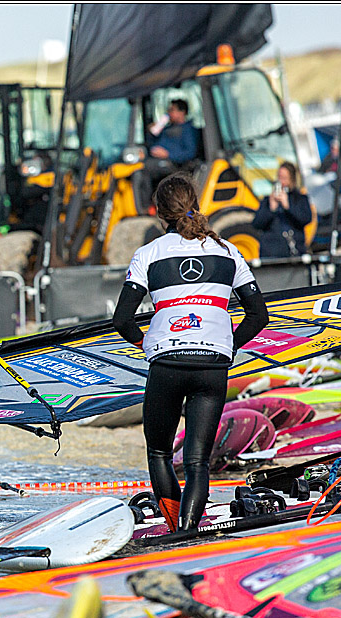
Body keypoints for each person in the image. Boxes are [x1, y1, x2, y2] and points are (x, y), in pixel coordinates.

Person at [111, 174, 269, 532]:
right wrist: (226, 343)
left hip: (167, 361)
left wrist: (144, 343)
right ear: (196, 204)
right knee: (198, 462)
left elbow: (122, 319)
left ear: (158, 213)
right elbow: (259, 315)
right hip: (213, 364)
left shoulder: (148, 254)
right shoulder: (228, 251)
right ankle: (190, 530)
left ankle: (174, 532)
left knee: (160, 453)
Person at [138, 99, 199, 208]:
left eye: (172, 110)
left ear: (182, 112)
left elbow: (190, 153)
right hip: (157, 159)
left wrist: (168, 154)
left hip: (174, 164)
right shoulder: (166, 128)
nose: (168, 113)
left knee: (143, 169)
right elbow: (153, 144)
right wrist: (151, 132)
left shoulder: (187, 130)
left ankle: (146, 207)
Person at [251, 162, 313, 258]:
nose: (281, 182)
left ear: (292, 179)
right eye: (280, 177)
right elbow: (257, 224)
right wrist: (271, 209)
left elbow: (306, 219)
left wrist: (288, 206)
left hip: (294, 252)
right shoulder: (267, 201)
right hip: (271, 254)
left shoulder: (300, 199)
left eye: (284, 178)